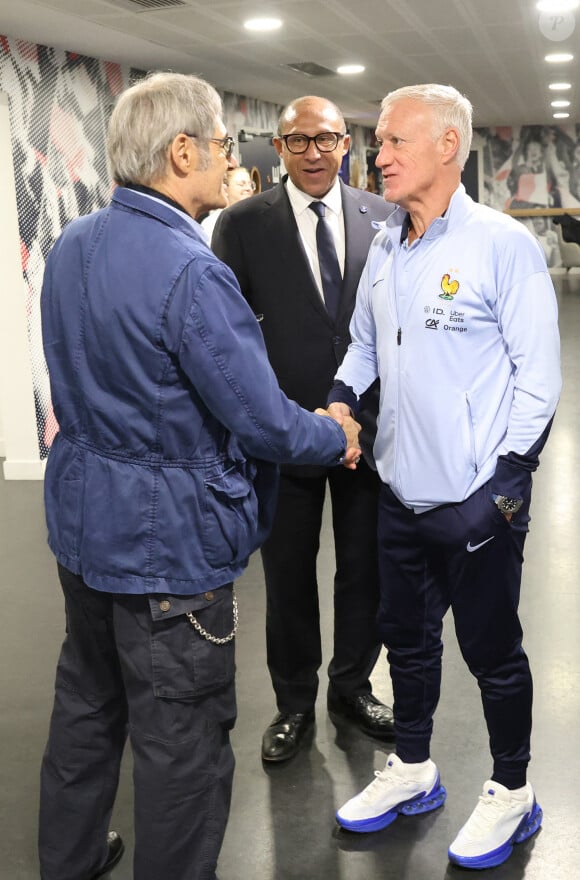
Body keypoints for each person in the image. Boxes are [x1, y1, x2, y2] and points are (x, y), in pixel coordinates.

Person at [38, 71, 363, 880]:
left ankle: (69, 861)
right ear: (181, 152)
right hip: (169, 549)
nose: (231, 159)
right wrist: (334, 434)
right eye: (221, 145)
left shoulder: (74, 243)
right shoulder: (192, 272)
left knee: (87, 707)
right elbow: (259, 418)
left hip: (84, 530)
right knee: (182, 744)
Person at [327, 84, 561, 870]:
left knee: (493, 654)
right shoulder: (388, 245)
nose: (378, 155)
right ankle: (415, 770)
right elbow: (364, 344)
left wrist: (507, 484)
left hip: (476, 502)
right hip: (398, 491)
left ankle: (514, 792)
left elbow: (541, 376)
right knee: (407, 642)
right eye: (379, 142)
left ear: (447, 147)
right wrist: (340, 399)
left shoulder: (501, 244)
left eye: (393, 141)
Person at [212, 96, 394, 764]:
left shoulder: (383, 217)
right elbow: (229, 339)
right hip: (282, 436)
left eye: (327, 139)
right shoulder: (241, 223)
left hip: (366, 431)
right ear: (278, 148)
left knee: (363, 572)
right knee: (286, 578)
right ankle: (293, 702)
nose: (314, 153)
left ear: (347, 144)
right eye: (298, 141)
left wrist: (358, 417)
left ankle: (351, 687)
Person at [201, 165, 254, 238]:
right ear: (225, 189)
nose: (248, 188)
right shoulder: (211, 223)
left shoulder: (257, 219)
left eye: (250, 185)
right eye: (241, 184)